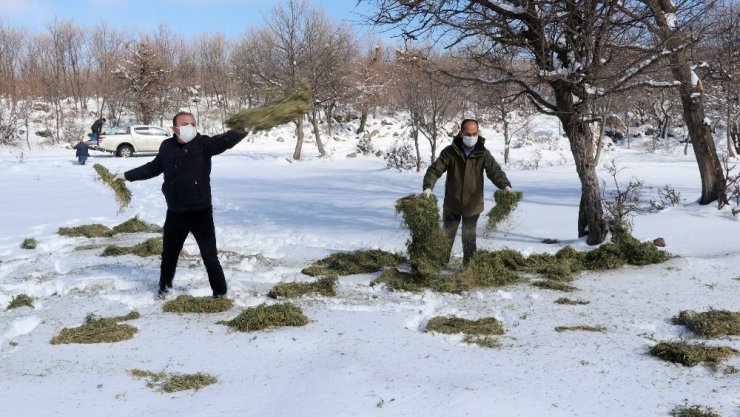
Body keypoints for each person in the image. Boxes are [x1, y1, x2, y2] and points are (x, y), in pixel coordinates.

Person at [114, 111, 247, 299]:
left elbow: (224, 141)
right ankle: (164, 289)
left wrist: (242, 129)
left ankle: (220, 293)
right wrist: (126, 176)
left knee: (210, 257)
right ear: (175, 129)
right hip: (175, 212)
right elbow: (153, 168)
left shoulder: (203, 144)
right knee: (169, 255)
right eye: (185, 124)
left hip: (200, 212)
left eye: (193, 123)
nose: (190, 127)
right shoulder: (166, 146)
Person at [422, 118, 513, 265]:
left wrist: (505, 186)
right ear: (460, 133)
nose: (471, 137)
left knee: (469, 237)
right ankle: (439, 263)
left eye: (474, 133)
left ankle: (469, 267)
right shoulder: (450, 152)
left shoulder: (483, 153)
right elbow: (434, 170)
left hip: (473, 204)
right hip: (453, 203)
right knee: (447, 235)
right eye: (467, 134)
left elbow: (495, 171)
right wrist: (428, 187)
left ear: (478, 133)